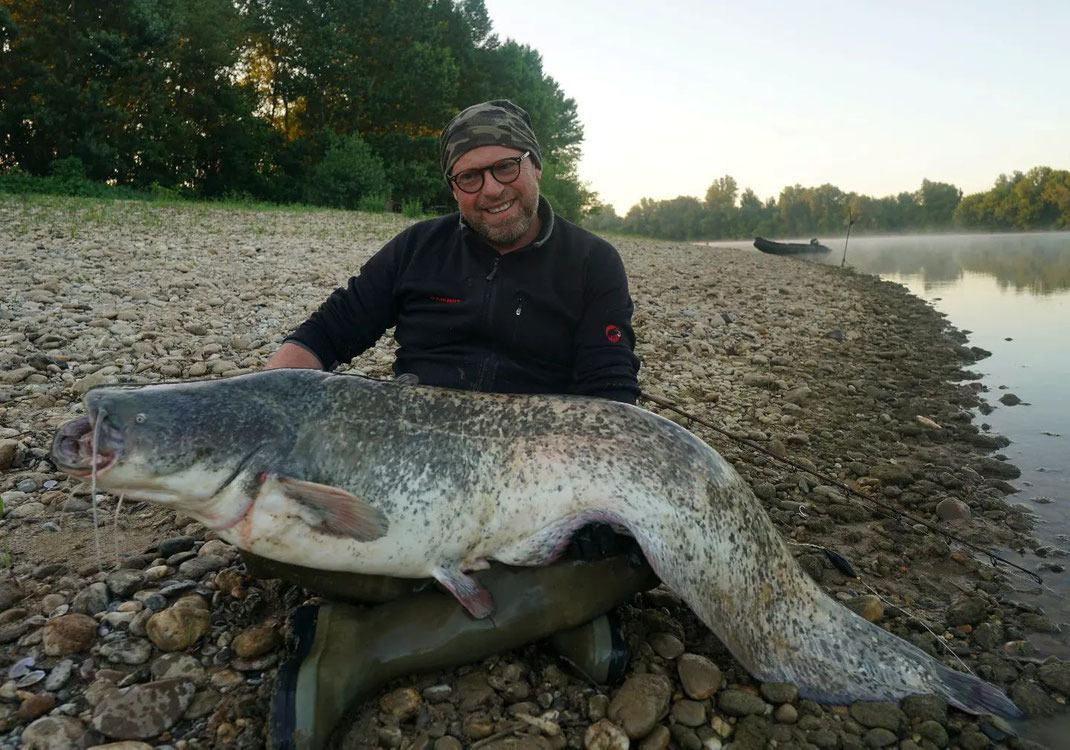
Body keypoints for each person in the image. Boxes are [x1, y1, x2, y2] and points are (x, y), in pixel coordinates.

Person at [257, 100, 657, 750]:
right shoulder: (418, 247)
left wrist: (596, 515)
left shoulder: (592, 263)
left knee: (645, 553)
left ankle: (360, 643)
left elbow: (611, 402)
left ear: (534, 164)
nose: (490, 190)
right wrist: (262, 408)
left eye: (504, 168)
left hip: (532, 489)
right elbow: (324, 334)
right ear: (452, 186)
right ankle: (555, 613)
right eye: (469, 178)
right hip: (404, 472)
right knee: (259, 529)